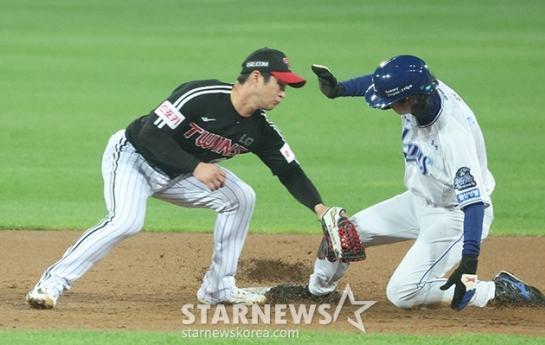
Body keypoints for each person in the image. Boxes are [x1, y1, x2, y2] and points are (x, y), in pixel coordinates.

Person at [26, 47, 332, 309]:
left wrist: (322, 210)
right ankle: (51, 284)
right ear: (255, 78)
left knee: (241, 197)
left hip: (179, 174)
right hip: (134, 157)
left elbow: (289, 171)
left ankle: (218, 288)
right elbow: (151, 134)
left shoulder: (261, 131)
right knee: (126, 221)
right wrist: (197, 166)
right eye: (280, 84)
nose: (283, 93)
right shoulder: (202, 95)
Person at [302, 55, 545, 310]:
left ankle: (494, 290)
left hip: (455, 217)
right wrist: (341, 89)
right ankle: (317, 292)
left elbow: (475, 203)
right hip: (419, 200)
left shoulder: (453, 137)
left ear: (409, 99)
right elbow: (384, 83)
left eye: (390, 102)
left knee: (403, 293)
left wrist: (469, 264)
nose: (385, 106)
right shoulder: (421, 89)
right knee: (342, 235)